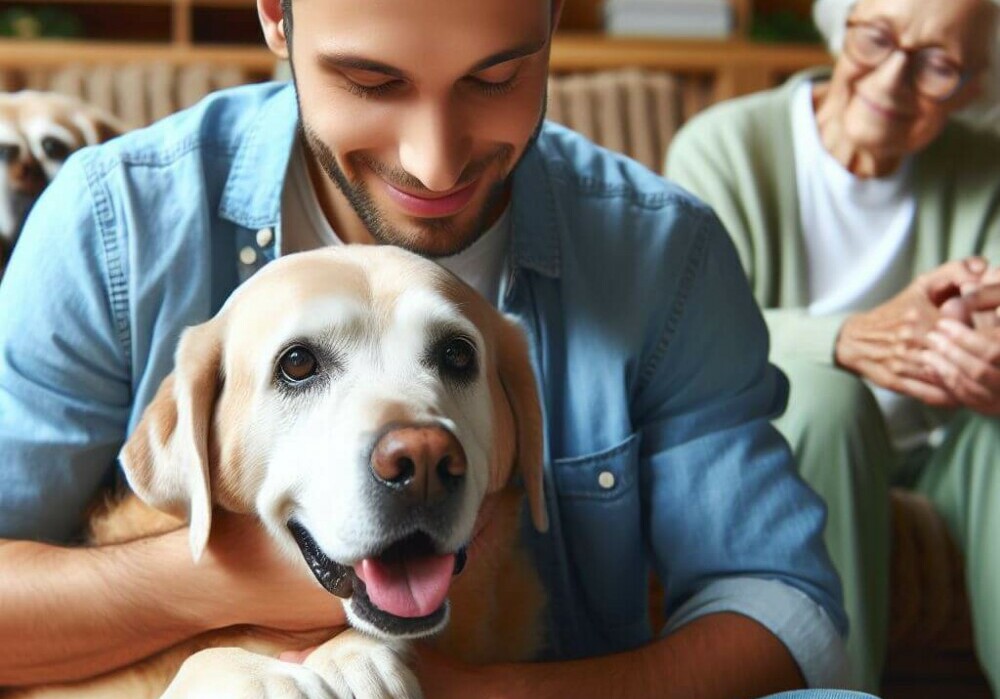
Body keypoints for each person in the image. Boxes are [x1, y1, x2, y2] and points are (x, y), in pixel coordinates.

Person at [0, 0, 849, 695]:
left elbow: (784, 608)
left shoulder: (665, 250)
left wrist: (480, 697)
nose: (435, 164)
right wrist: (250, 587)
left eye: (497, 77)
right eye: (371, 81)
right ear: (277, 18)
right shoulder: (114, 224)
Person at [666, 0, 1000, 692]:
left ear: (973, 85)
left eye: (938, 64)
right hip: (792, 440)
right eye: (876, 37)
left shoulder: (987, 167)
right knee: (828, 396)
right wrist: (844, 339)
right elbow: (683, 343)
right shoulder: (723, 146)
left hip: (941, 451)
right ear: (839, 25)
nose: (891, 82)